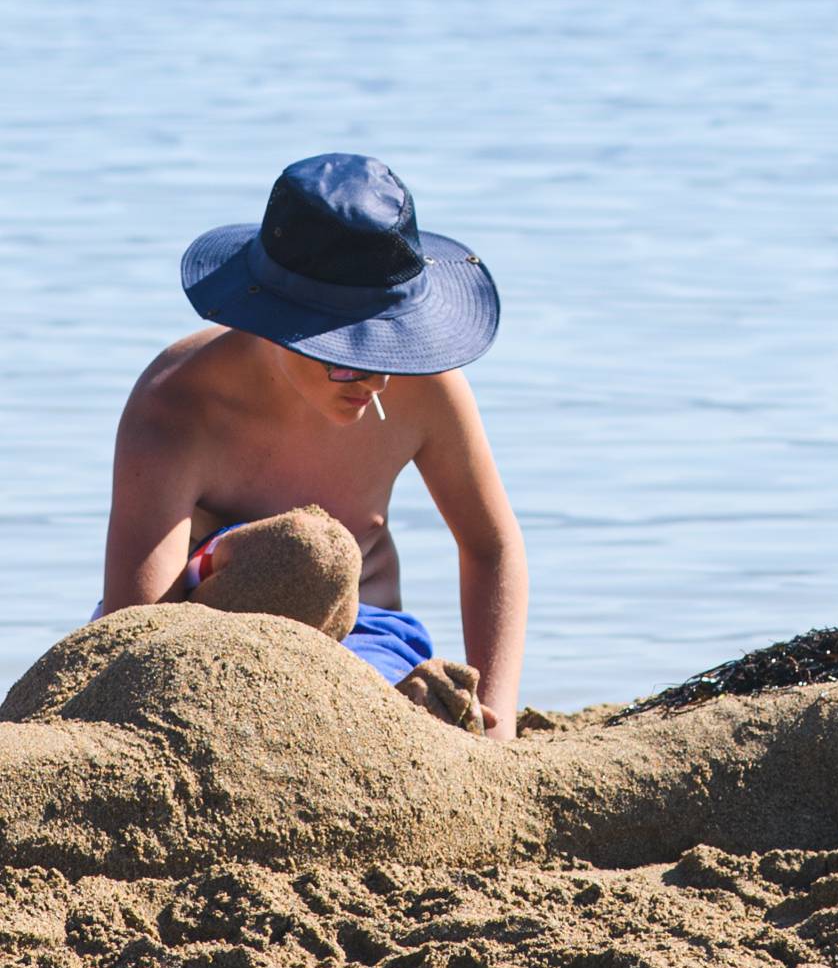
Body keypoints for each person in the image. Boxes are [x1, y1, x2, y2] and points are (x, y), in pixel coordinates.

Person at [99, 153, 527, 739]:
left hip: (369, 642)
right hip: (204, 631)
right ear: (277, 322)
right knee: (306, 555)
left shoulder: (423, 389)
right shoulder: (176, 407)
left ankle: (390, 715)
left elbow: (491, 545)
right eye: (351, 360)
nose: (378, 383)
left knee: (346, 601)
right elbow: (137, 625)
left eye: (393, 352)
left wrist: (498, 719)